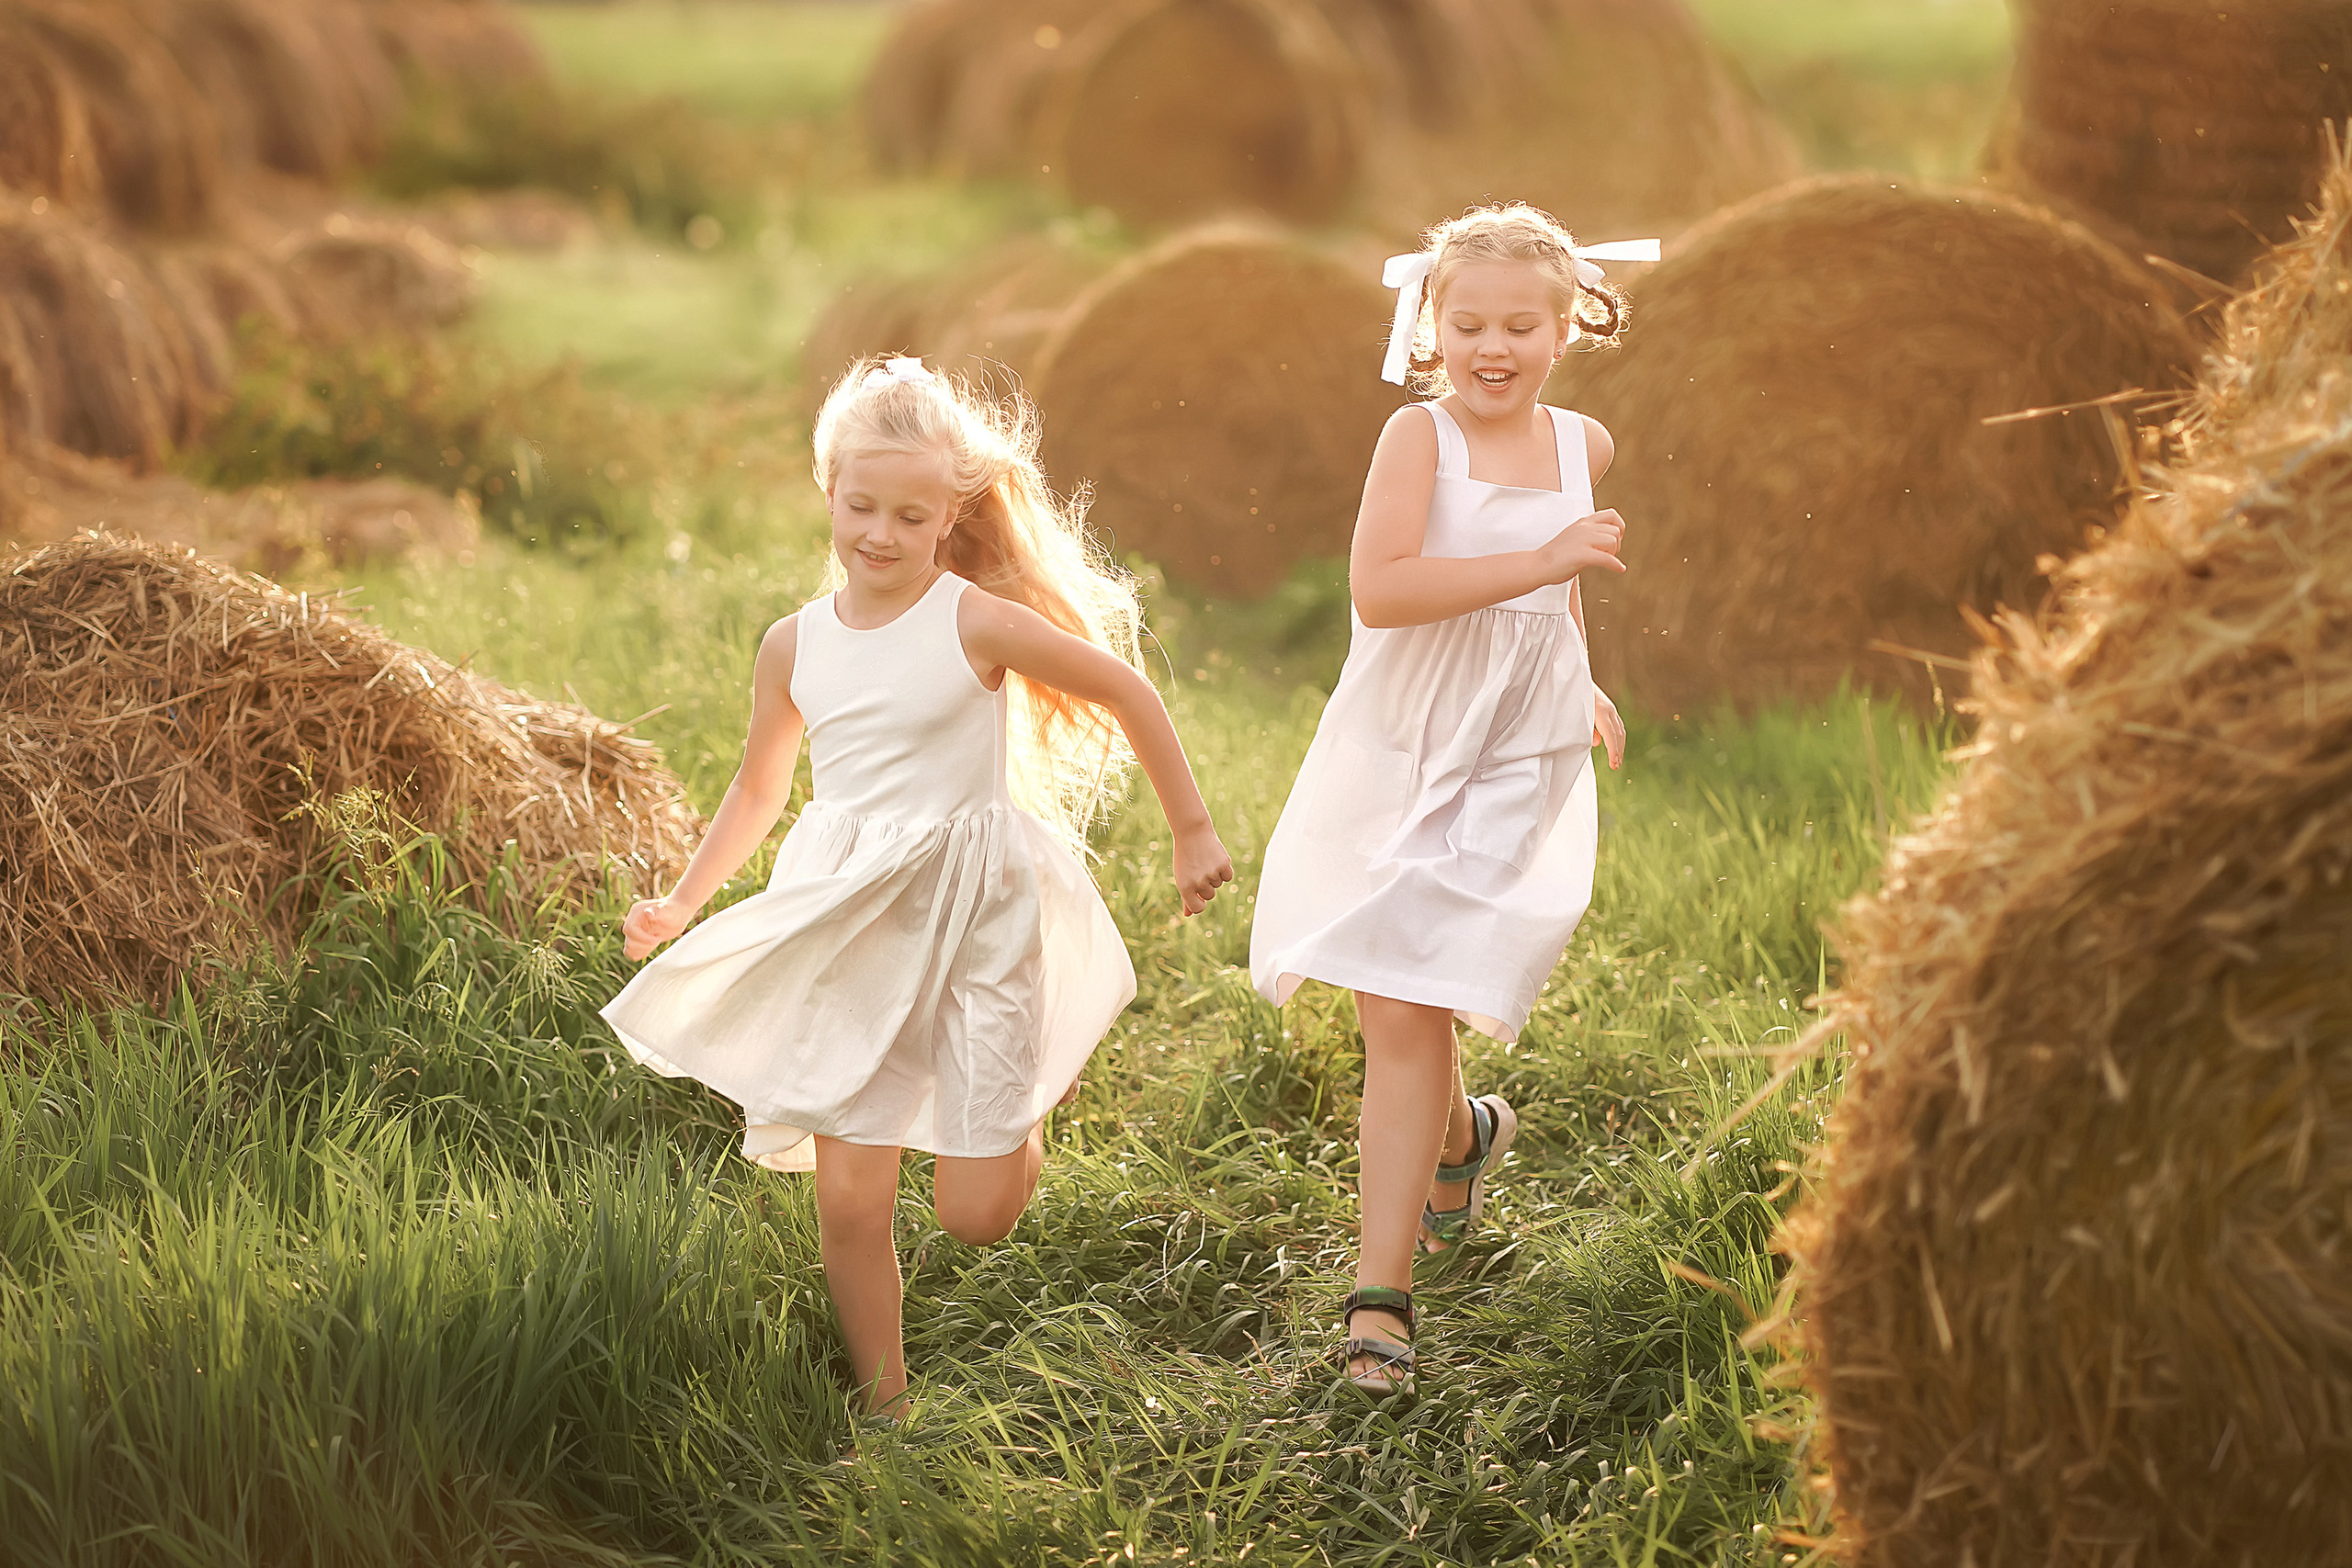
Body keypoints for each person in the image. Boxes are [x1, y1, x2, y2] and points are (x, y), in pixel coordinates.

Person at [603, 355, 1234, 1419]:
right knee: (851, 1199)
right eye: (861, 507)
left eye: (910, 515)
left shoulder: (973, 621)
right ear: (828, 491)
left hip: (976, 912)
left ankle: (1021, 1105)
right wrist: (682, 900)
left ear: (950, 515)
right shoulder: (792, 645)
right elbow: (758, 788)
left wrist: (1192, 827)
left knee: (975, 1216)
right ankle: (886, 1408)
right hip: (850, 920)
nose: (881, 535)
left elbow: (1124, 688)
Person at [1250, 205, 1649, 1394]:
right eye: (1468, 323)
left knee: (1412, 991)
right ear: (1432, 325)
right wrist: (1545, 566)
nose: (1493, 346)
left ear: (1566, 326)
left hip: (1514, 747)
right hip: (1403, 736)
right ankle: (1451, 1158)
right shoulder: (1416, 438)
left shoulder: (1584, 444)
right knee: (1396, 999)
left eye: (1520, 324)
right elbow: (1382, 590)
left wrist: (1581, 677)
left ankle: (1389, 1284)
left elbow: (1559, 594)